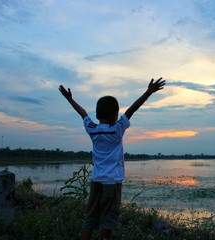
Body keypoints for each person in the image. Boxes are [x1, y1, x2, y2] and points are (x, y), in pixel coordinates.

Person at [58, 78, 166, 240]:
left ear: (98, 114)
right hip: (112, 182)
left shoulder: (92, 129)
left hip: (96, 181)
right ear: (115, 114)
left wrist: (69, 99)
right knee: (108, 221)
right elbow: (132, 110)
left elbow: (82, 114)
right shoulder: (116, 130)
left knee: (90, 217)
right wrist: (148, 93)